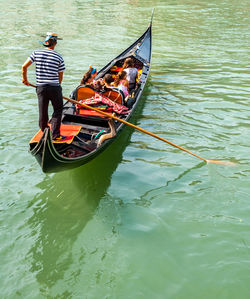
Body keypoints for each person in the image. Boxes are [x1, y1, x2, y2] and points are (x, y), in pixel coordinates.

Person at [22, 32, 66, 141]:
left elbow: (24, 66)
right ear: (55, 43)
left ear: (45, 43)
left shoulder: (36, 53)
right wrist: (57, 86)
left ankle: (45, 131)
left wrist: (25, 79)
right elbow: (60, 76)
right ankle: (56, 135)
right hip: (54, 87)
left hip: (41, 87)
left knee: (43, 110)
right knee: (58, 110)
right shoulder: (59, 57)